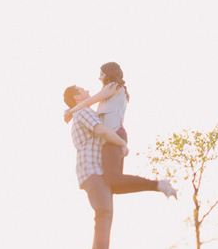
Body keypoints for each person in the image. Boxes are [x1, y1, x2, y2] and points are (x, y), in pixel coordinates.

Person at [64, 84, 176, 249]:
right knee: (104, 212)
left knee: (104, 213)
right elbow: (102, 131)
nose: (89, 92)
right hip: (92, 170)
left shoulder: (80, 112)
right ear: (76, 97)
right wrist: (122, 143)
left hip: (91, 171)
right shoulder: (83, 112)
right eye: (83, 90)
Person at [65, 62, 177, 198]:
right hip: (112, 137)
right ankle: (158, 186)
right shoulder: (109, 94)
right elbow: (91, 113)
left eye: (101, 74)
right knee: (114, 185)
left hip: (115, 134)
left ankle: (159, 185)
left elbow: (88, 103)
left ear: (109, 73)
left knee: (113, 179)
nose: (99, 78)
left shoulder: (114, 87)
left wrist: (70, 111)